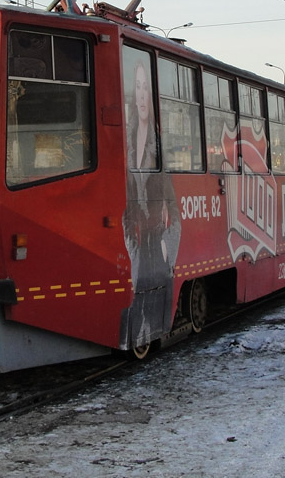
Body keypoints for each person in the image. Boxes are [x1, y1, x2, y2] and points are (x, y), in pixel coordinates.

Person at [120, 54, 179, 351]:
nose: (142, 94)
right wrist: (131, 245)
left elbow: (174, 207)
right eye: (138, 87)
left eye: (146, 88)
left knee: (153, 299)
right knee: (135, 304)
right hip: (137, 243)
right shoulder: (126, 141)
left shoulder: (160, 141)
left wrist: (169, 247)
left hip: (157, 242)